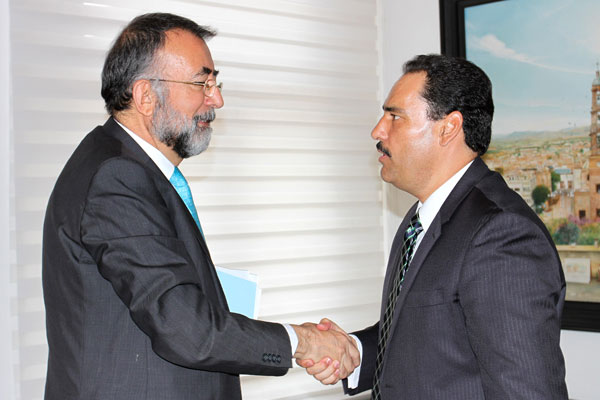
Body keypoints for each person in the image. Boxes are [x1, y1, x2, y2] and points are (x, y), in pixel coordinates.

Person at [42, 13, 359, 400]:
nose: (217, 99)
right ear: (145, 96)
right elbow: (184, 328)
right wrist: (301, 342)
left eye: (215, 83)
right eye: (201, 83)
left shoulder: (133, 169)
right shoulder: (118, 177)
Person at [298, 54, 568, 399]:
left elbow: (526, 390)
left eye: (395, 116)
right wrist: (354, 351)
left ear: (448, 128)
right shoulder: (421, 219)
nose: (378, 131)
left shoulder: (502, 234)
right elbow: (424, 333)